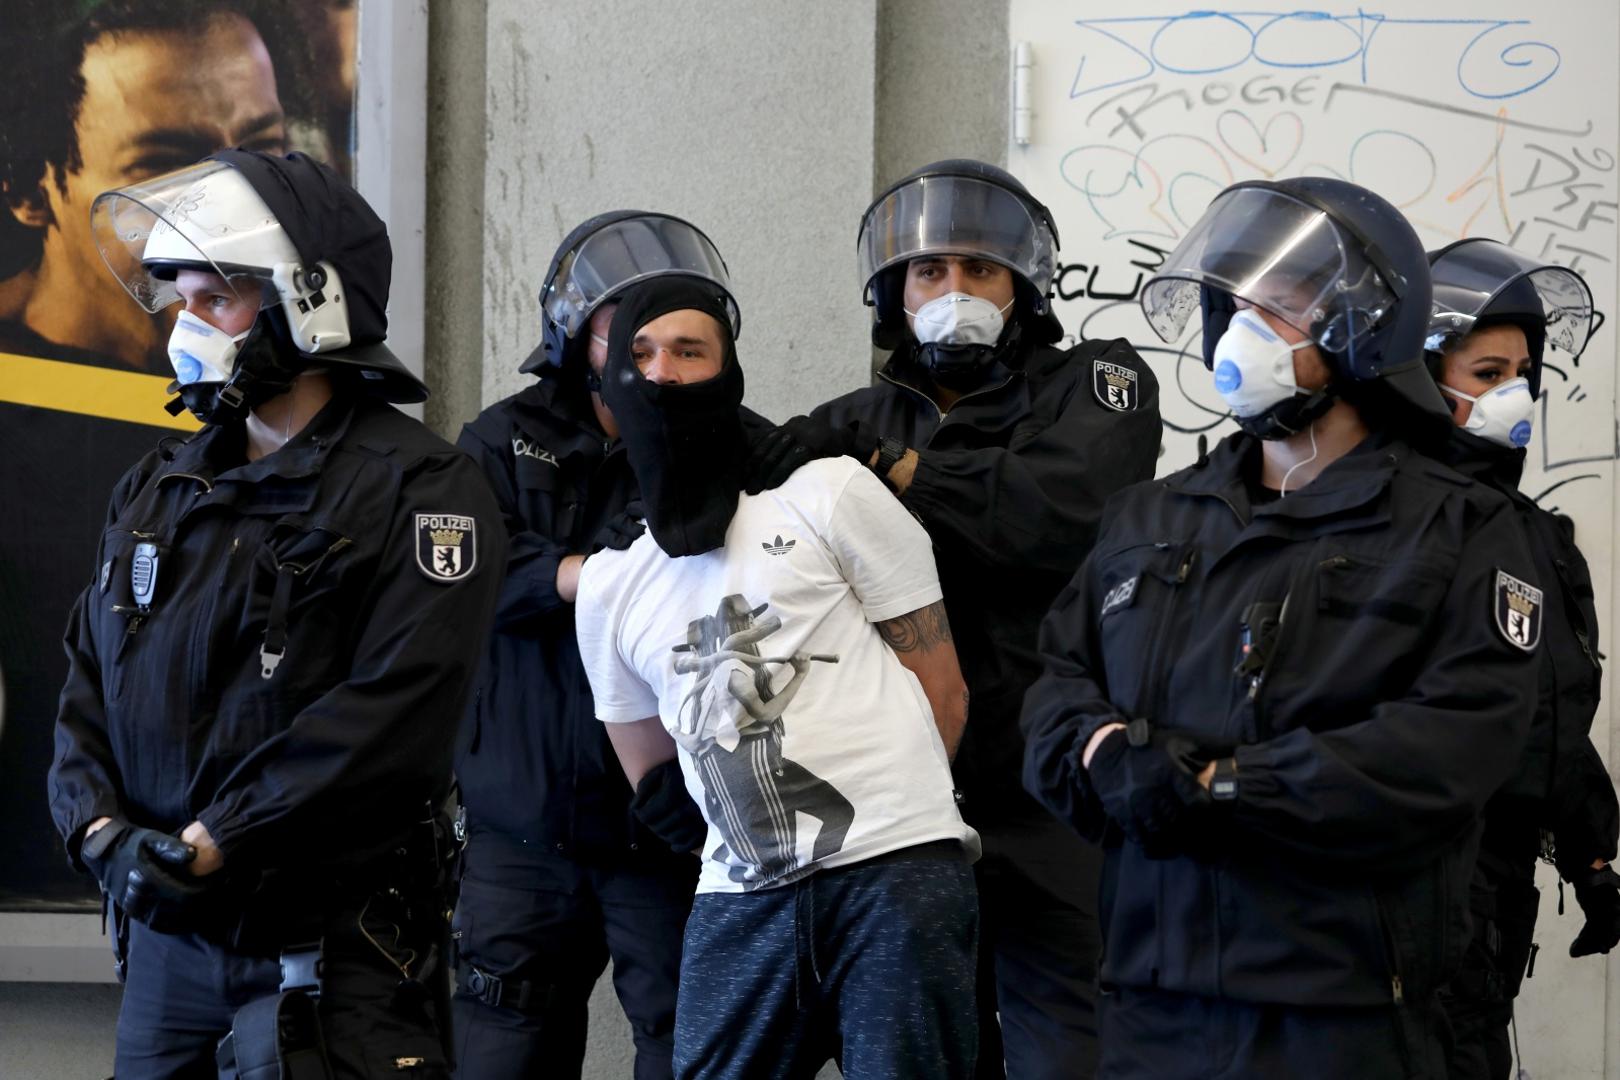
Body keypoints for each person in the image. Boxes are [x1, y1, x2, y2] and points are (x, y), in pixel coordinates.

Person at [1021, 177, 1544, 1077]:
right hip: (1153, 1001)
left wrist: (1228, 784)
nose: (1241, 331)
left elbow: (1452, 744)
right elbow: (1055, 690)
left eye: (1280, 307)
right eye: (1234, 305)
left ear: (1361, 325)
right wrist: (1109, 755)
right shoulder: (1149, 517)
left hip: (1339, 1011)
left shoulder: (1459, 524)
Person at [47, 149, 505, 1078]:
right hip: (168, 943)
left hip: (333, 953)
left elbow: (396, 713)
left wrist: (218, 841)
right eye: (176, 300)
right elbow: (88, 683)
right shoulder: (158, 485)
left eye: (215, 299)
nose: (186, 326)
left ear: (310, 300)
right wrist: (101, 836)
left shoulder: (422, 486)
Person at [748, 158, 1162, 1079]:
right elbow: (753, 500)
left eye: (981, 270)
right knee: (926, 1049)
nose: (955, 290)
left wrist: (897, 473)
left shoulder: (1099, 383)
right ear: (895, 289)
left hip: (1055, 790)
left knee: (1076, 1051)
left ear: (1024, 286)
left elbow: (1059, 513)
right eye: (930, 270)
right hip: (905, 804)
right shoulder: (857, 414)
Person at [576, 276, 980, 1079]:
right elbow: (651, 769)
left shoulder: (830, 494)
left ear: (727, 371)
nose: (662, 374)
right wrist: (754, 848)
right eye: (643, 354)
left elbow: (943, 689)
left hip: (894, 877)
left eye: (689, 351)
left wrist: (895, 824)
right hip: (738, 896)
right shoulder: (608, 586)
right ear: (612, 378)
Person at [0, 0, 310, 911]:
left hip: (269, 885)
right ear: (34, 185)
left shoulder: (317, 415)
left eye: (261, 147)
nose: (228, 203)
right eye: (162, 164)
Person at [452, 211, 744, 1079]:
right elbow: (469, 579)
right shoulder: (500, 439)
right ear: (578, 337)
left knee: (690, 1048)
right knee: (502, 1051)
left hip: (670, 829)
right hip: (521, 834)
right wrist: (595, 576)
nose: (650, 365)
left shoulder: (741, 447)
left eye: (679, 345)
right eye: (627, 337)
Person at [1418, 237, 1620, 1078]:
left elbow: (1554, 708)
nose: (1516, 395)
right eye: (1488, 372)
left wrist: (1593, 852)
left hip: (1497, 884)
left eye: (1524, 372)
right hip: (1411, 878)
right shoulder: (1384, 521)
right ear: (1422, 378)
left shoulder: (1536, 537)